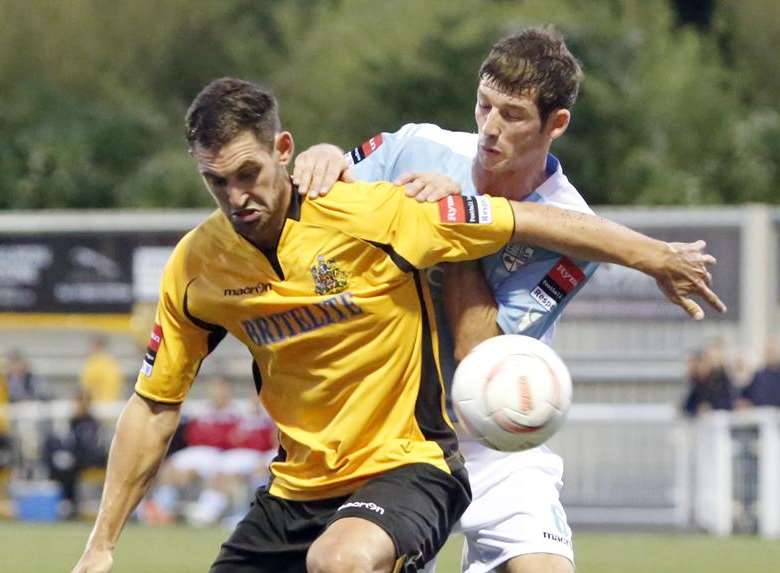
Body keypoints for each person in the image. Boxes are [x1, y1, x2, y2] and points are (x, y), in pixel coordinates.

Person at [72, 77, 722, 573]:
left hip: (409, 467)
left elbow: (529, 221)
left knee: (341, 561)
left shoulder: (379, 215)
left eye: (249, 173)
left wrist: (657, 256)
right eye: (217, 183)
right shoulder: (197, 266)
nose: (238, 196)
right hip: (294, 490)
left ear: (283, 150)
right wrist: (100, 546)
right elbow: (155, 404)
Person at [292, 27, 725, 573]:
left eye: (513, 115)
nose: (490, 129)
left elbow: (480, 360)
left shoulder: (574, 232)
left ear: (556, 124)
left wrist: (452, 227)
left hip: (489, 434)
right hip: (390, 433)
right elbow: (321, 201)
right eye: (483, 105)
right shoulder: (415, 144)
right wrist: (325, 156)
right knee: (343, 564)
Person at [80, 336, 124, 403]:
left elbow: (111, 385)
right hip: (98, 402)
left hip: (105, 401)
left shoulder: (108, 363)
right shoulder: (91, 363)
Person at [738, 338, 780, 408]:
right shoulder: (758, 375)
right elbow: (745, 396)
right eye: (768, 351)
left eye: (773, 351)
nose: (770, 355)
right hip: (759, 414)